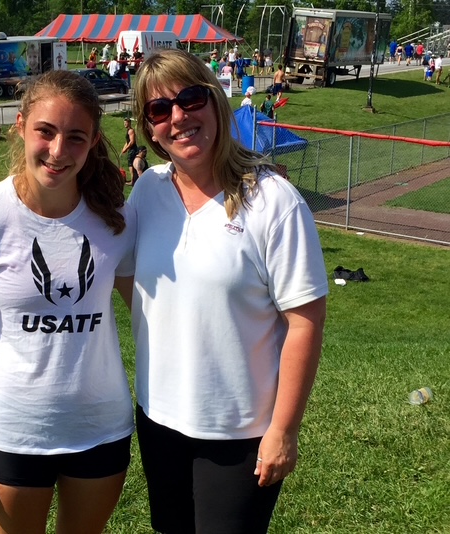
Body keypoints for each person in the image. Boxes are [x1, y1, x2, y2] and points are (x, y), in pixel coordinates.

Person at [125, 48, 328, 533]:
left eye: (190, 98)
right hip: (159, 419)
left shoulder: (273, 201)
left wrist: (284, 429)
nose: (178, 117)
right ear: (149, 129)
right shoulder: (147, 192)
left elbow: (305, 322)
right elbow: (128, 279)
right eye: (159, 109)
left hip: (241, 432)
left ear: (215, 101)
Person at [0, 69, 136, 534]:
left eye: (75, 138)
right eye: (45, 132)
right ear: (20, 124)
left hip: (101, 427)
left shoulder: (114, 221)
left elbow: (153, 314)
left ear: (92, 143)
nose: (57, 151)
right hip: (17, 430)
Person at [120, 117, 137, 183]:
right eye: (124, 123)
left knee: (131, 165)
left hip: (132, 150)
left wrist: (126, 148)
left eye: (126, 123)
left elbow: (132, 141)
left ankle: (132, 181)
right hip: (131, 149)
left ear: (129, 123)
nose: (125, 124)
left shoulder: (130, 131)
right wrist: (124, 149)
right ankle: (133, 180)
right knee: (130, 164)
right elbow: (127, 141)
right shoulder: (128, 130)